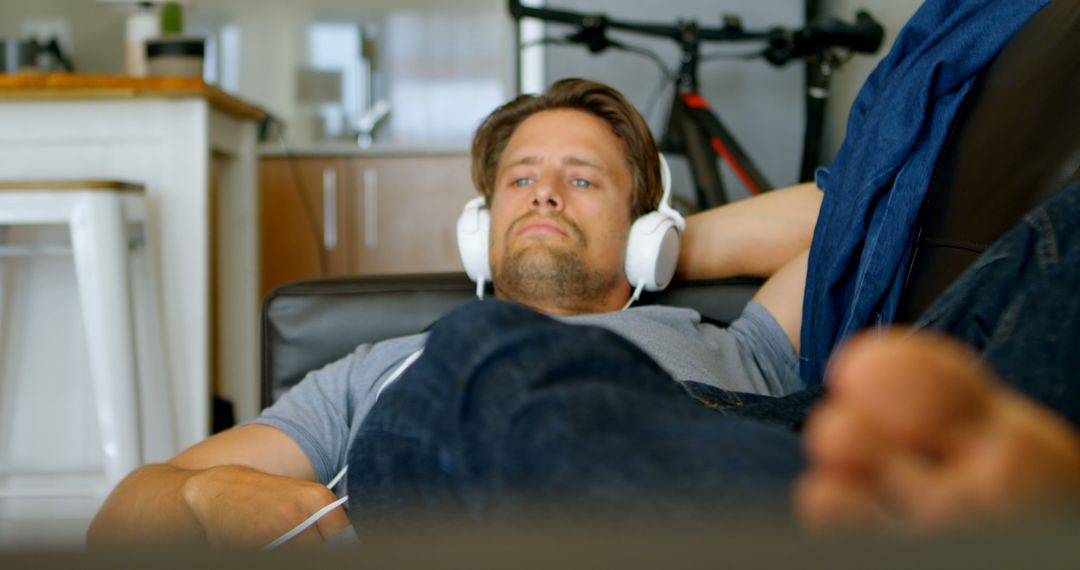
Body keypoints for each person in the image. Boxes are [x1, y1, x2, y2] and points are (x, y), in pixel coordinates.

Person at [86, 78, 819, 547]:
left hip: (693, 503)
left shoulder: (738, 345)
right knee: (469, 351)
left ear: (642, 227)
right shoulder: (380, 368)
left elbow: (856, 213)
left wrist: (661, 248)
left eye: (584, 180)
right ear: (480, 225)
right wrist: (207, 493)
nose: (543, 193)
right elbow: (118, 521)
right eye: (521, 178)